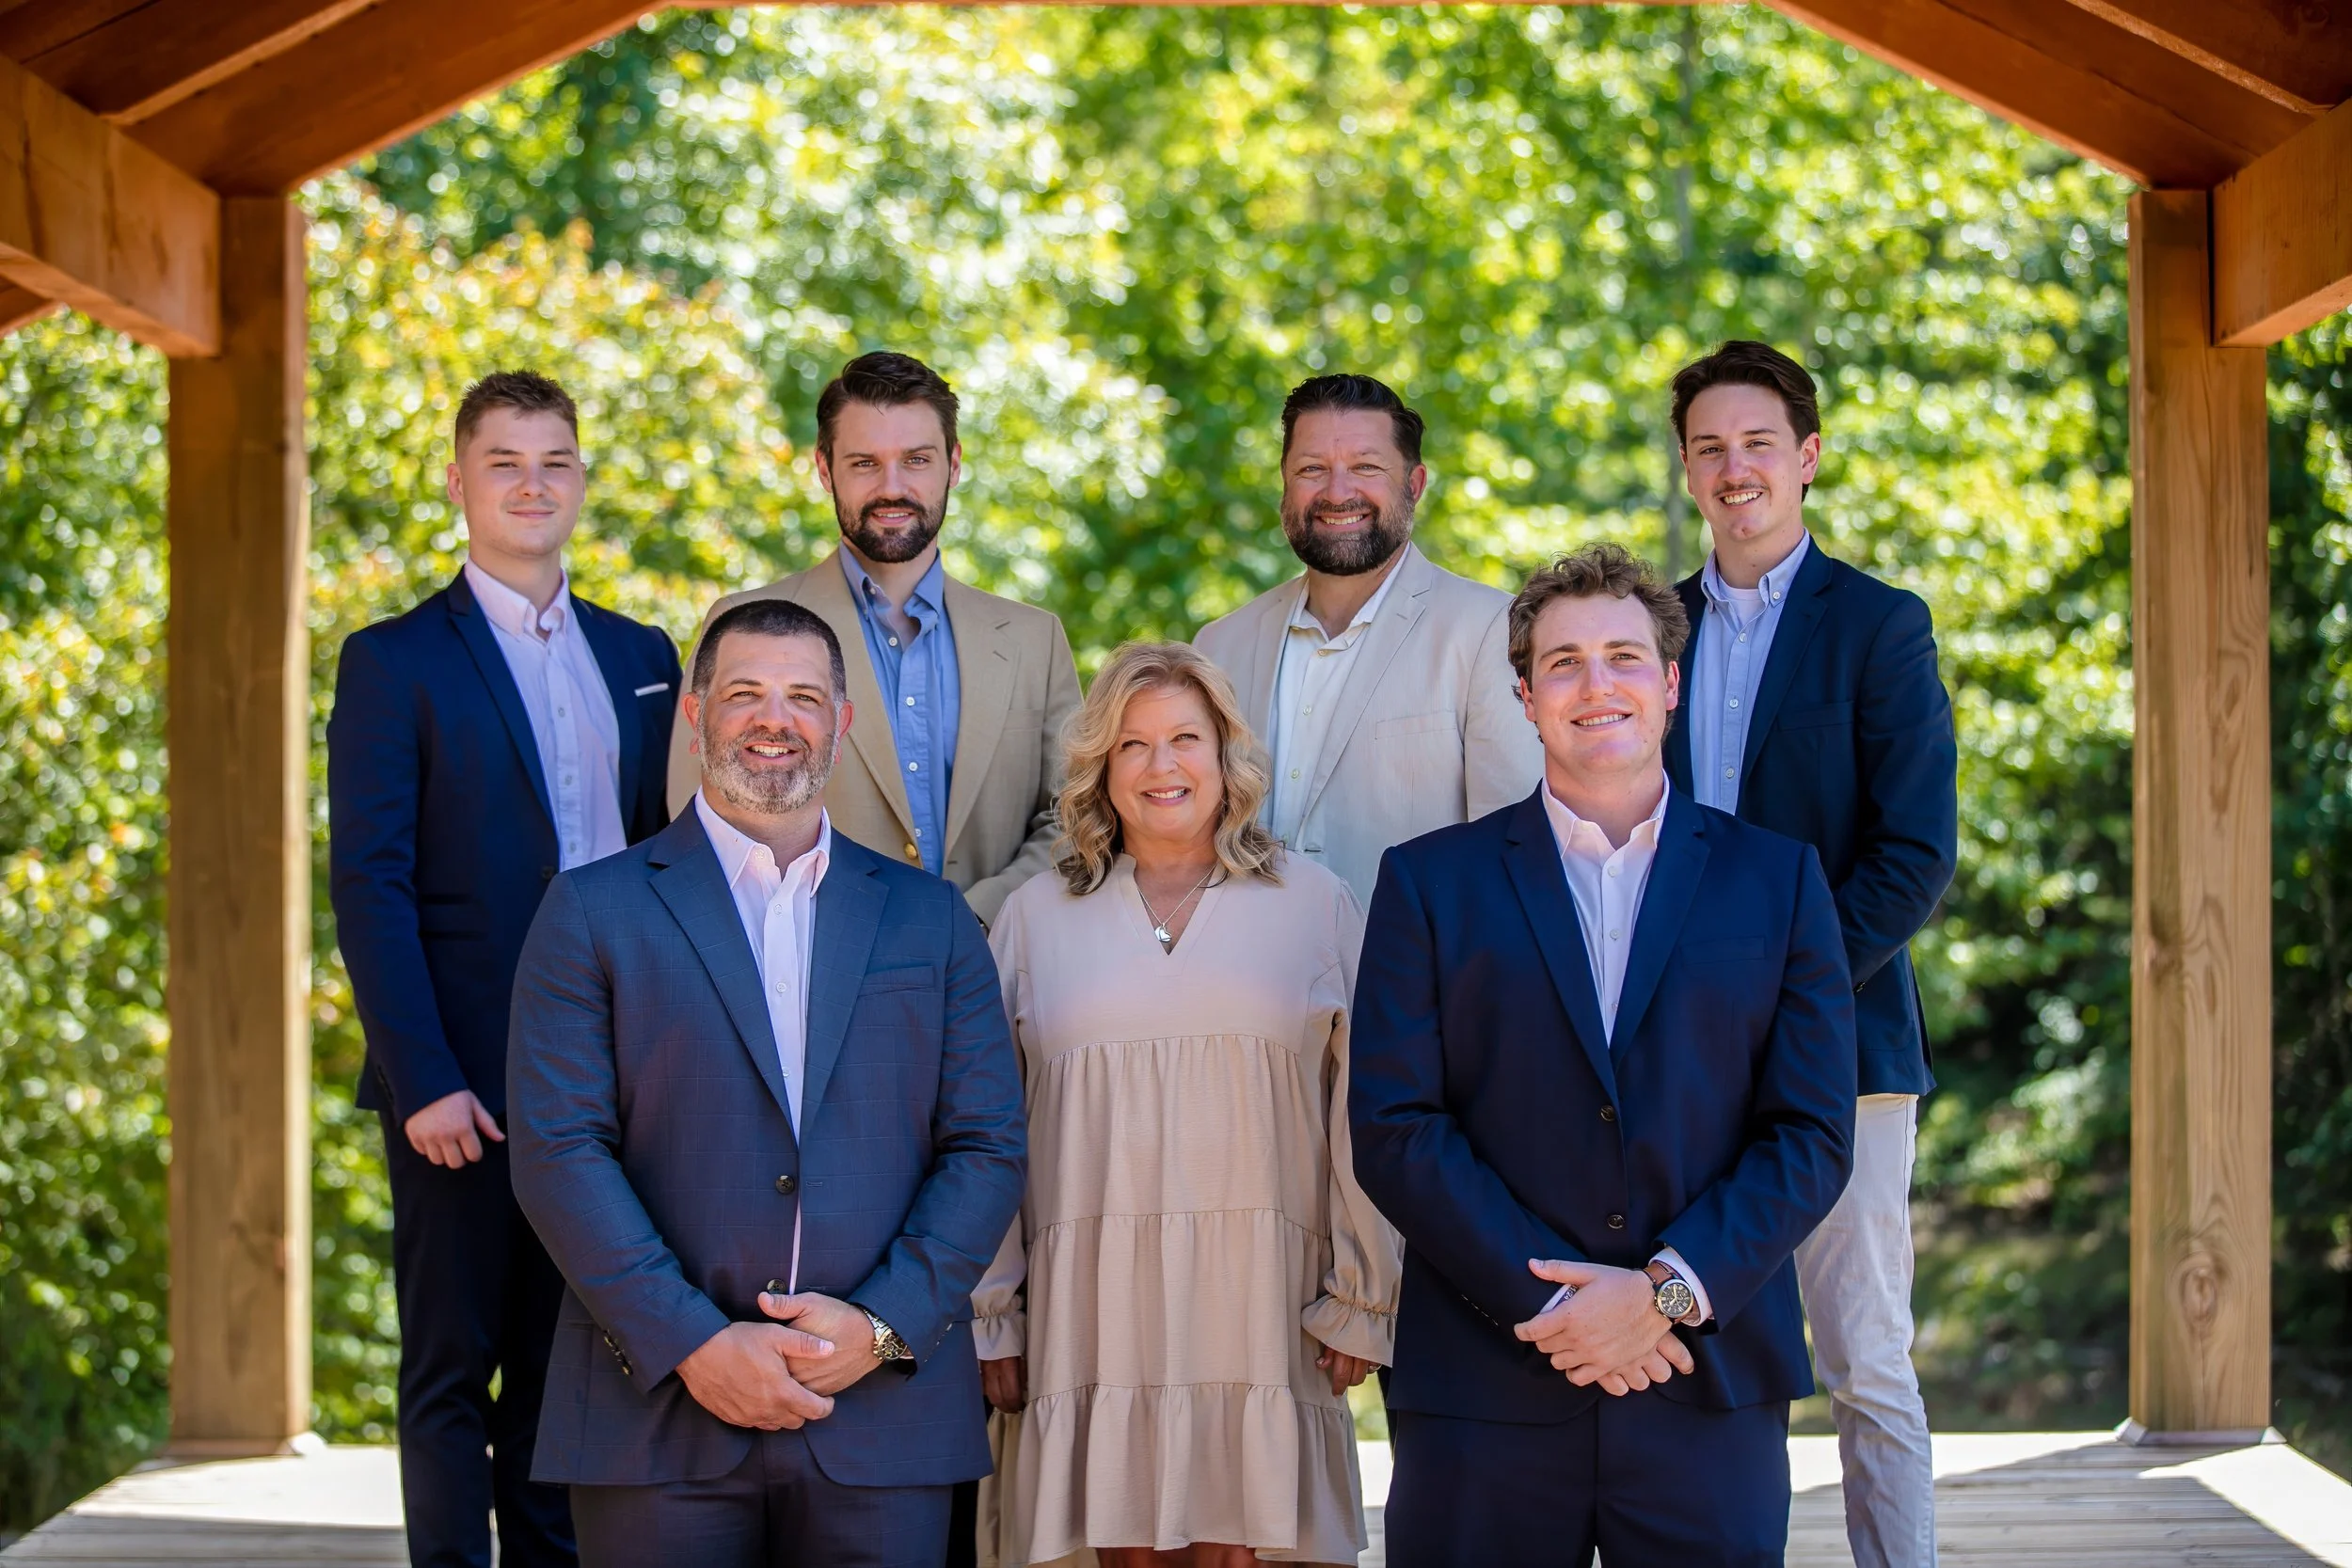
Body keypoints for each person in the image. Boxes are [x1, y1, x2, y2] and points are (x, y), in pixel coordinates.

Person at [1350, 544, 1858, 1567]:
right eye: (1564, 662)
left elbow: (1808, 1131)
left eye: (1624, 656)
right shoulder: (1426, 883)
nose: (1596, 685)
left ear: (1670, 684)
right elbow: (1396, 1126)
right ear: (1525, 695)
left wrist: (1664, 1291)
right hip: (1485, 1384)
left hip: (1702, 1374)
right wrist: (1553, 1301)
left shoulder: (1780, 880)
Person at [507, 595, 1027, 1567]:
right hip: (652, 1412)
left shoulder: (934, 920)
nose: (773, 718)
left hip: (880, 1419)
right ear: (697, 713)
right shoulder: (589, 911)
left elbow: (987, 1143)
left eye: (802, 695)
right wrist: (696, 1341)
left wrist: (878, 1326)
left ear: (842, 720)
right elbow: (559, 1150)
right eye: (744, 692)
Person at [326, 372, 678, 1568]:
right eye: (505, 461)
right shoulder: (393, 661)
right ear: (459, 482)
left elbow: (666, 866)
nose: (533, 483)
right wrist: (420, 1075)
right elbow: (369, 882)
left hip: (605, 1077)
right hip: (459, 1087)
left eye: (556, 461)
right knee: (447, 1371)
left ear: (581, 479)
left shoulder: (641, 655)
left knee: (558, 1372)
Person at [972, 642, 1399, 1568]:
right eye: (1133, 745)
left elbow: (1363, 1113)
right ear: (1100, 766)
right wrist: (990, 1307)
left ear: (1224, 754)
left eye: (1184, 739)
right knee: (1116, 1543)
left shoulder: (1314, 902)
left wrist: (1364, 1294)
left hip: (1263, 1300)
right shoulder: (1034, 918)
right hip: (1089, 1307)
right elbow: (985, 1131)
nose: (1162, 767)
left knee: (1244, 1546)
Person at [1662, 341, 1959, 1568]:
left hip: (1841, 1046)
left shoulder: (1881, 627)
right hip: (1677, 1050)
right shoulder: (1648, 628)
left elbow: (1914, 853)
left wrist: (1784, 985)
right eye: (1711, 447)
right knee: (1709, 1353)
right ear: (1687, 470)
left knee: (1864, 1355)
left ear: (1809, 458)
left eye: (1759, 444)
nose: (1737, 470)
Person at [667, 350, 1081, 927]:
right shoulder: (742, 625)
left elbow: (1076, 815)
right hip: (805, 979)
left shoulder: (1035, 640)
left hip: (995, 973)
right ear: (824, 467)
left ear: (954, 464)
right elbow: (700, 820)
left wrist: (970, 917)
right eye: (865, 462)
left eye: (916, 459)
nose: (893, 487)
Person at [1193, 373, 1542, 908]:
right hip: (1241, 982)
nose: (1337, 492)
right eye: (1312, 469)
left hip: (1414, 981)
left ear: (1415, 484)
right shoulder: (1219, 645)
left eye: (1366, 467)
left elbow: (1511, 850)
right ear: (1285, 485)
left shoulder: (1490, 628)